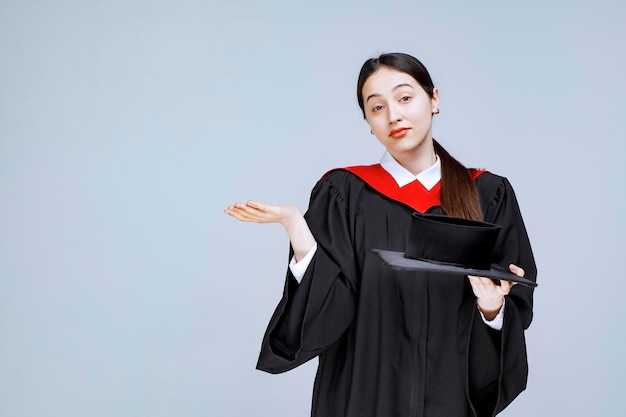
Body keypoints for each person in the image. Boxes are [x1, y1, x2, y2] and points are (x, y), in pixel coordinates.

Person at [224, 52, 537, 417]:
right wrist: (298, 229)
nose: (393, 115)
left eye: (405, 98)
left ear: (434, 99)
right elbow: (328, 307)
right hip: (362, 394)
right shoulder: (343, 192)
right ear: (368, 123)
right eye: (376, 108)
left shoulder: (487, 193)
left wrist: (491, 305)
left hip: (449, 398)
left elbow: (514, 314)